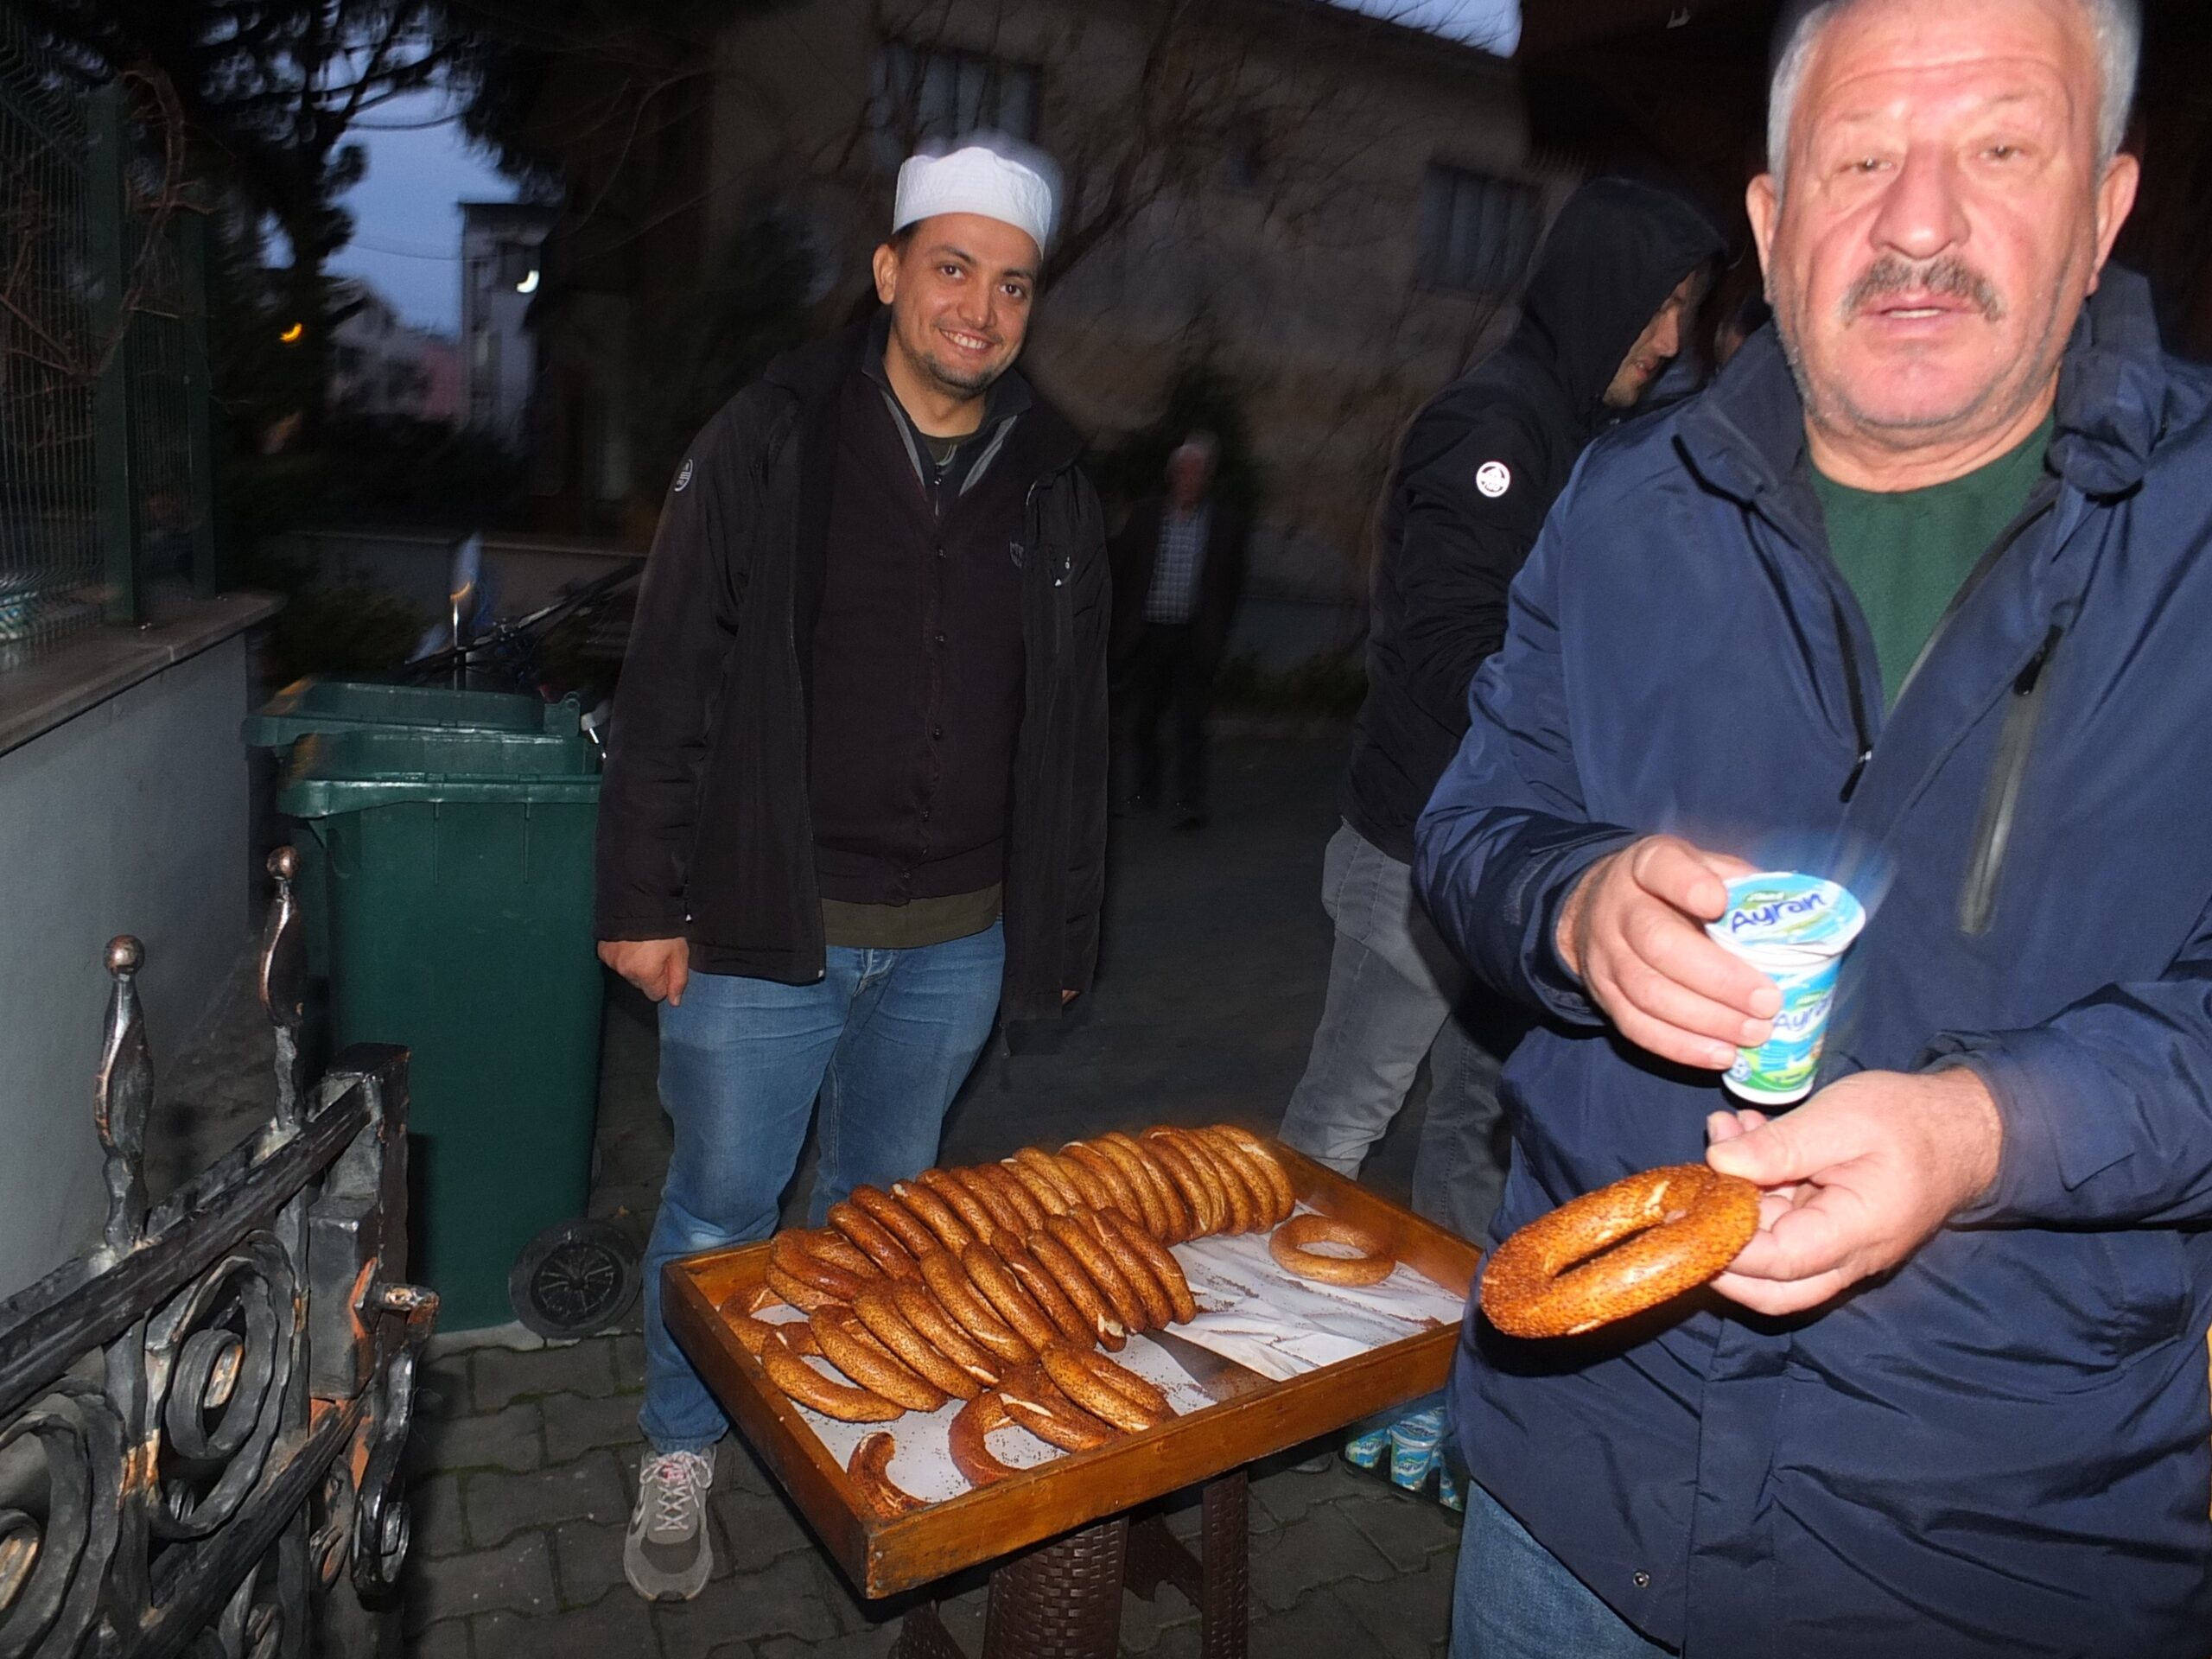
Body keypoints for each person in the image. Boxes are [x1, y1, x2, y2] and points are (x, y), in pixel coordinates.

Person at [1417, 0, 2212, 1652]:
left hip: (1995, 1544)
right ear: (1774, 225)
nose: (1918, 220)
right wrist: (1571, 907)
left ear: (2104, 209)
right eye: (1860, 158)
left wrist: (1984, 1132)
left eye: (1999, 146)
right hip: (1570, 1510)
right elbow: (1472, 827)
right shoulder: (1625, 502)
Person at [594, 137, 1109, 1601]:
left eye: (1012, 284)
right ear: (887, 273)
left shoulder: (1056, 478)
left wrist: (1057, 932)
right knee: (723, 1211)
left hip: (954, 941)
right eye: (951, 268)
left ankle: (839, 1443)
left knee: (887, 1220)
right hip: (766, 926)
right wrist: (642, 900)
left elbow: (1075, 730)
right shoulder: (773, 436)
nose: (981, 308)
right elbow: (673, 668)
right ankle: (682, 1445)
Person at [1280, 177, 1722, 1248]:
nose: (1668, 340)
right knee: (1338, 1130)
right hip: (1416, 859)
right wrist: (1596, 725)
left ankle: (1446, 1386)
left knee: (1478, 1132)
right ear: (1596, 291)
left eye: (1685, 314)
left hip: (1515, 861)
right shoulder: (1496, 426)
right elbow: (1442, 648)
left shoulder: (1585, 433)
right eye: (1654, 306)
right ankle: (1257, 1376)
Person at [1110, 433, 1249, 829]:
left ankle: (1189, 801)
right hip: (1150, 632)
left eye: (1197, 472)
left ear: (1207, 478)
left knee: (1191, 722)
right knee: (1145, 719)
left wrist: (1218, 633)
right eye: (1183, 472)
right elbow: (1123, 569)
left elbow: (1232, 584)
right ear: (1171, 475)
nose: (1189, 479)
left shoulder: (1224, 525)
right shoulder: (1148, 515)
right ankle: (1145, 790)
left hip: (1193, 636)